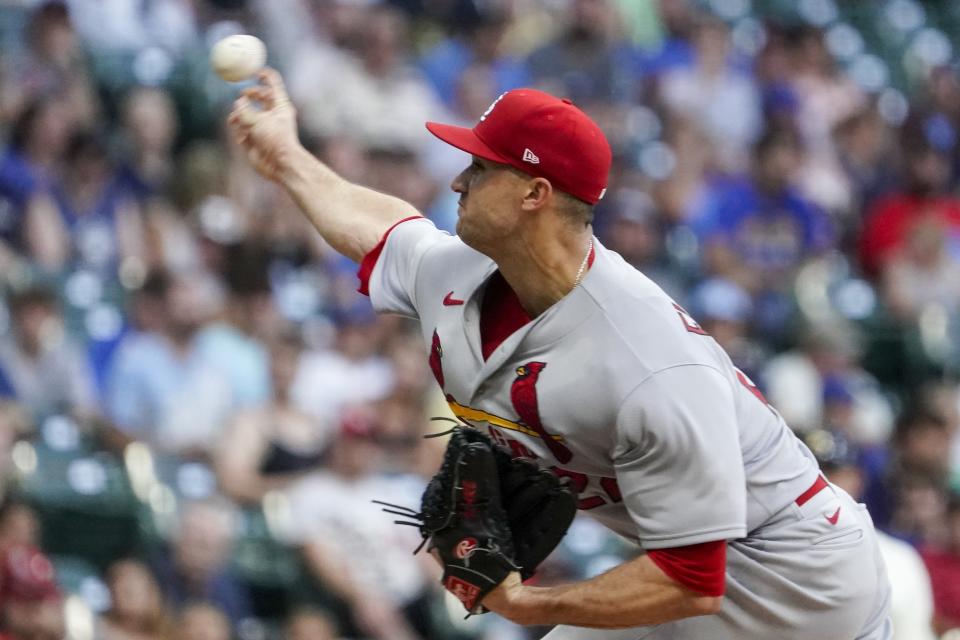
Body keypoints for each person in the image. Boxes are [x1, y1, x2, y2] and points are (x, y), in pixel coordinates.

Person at [227, 68, 891, 639]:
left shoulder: (645, 362)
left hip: (804, 588)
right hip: (688, 567)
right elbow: (383, 230)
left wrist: (525, 603)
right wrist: (287, 156)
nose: (458, 180)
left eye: (481, 167)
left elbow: (692, 581)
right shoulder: (461, 272)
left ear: (533, 195)